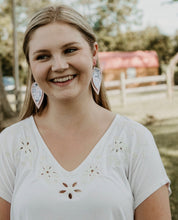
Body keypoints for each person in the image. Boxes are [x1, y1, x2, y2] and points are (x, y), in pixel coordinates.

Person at [0, 4, 171, 220]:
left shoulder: (135, 139)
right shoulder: (8, 144)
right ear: (31, 66)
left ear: (94, 53)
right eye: (43, 56)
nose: (59, 65)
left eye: (70, 50)